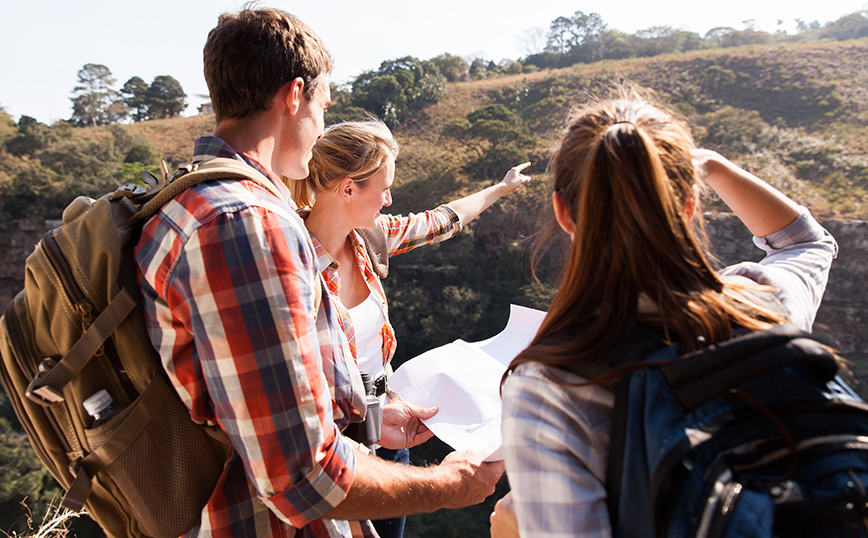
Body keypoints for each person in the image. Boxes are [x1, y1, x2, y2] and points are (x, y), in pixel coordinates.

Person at [134, 8, 503, 538]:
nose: (322, 127)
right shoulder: (249, 226)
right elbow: (303, 478)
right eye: (324, 106)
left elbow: (262, 396)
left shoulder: (187, 200)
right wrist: (452, 484)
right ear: (294, 95)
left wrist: (372, 414)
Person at [490, 89, 838, 537]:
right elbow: (808, 242)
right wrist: (709, 164)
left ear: (563, 212)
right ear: (690, 206)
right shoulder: (762, 301)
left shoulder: (555, 384)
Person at [290, 118, 532, 538]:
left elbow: (442, 220)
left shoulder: (368, 238)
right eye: (382, 188)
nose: (388, 199)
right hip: (334, 456)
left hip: (388, 436)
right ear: (348, 189)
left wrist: (501, 188)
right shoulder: (290, 264)